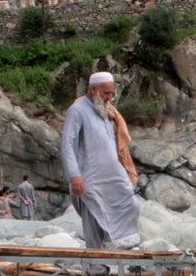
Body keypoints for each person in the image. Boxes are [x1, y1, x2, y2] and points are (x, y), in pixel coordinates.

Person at [60, 70, 140, 250]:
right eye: (106, 93)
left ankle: (118, 244)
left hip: (112, 174)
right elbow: (67, 145)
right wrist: (74, 176)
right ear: (94, 89)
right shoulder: (77, 111)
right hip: (90, 176)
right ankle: (95, 264)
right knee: (93, 217)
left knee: (131, 202)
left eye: (112, 93)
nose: (109, 97)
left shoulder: (105, 111)